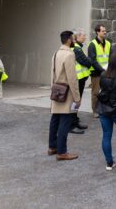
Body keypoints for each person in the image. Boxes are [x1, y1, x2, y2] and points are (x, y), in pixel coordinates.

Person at [48, 31, 80, 161]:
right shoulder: (70, 55)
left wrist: (53, 89)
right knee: (65, 121)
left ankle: (52, 147)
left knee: (55, 119)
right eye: (73, 38)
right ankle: (62, 152)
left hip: (56, 90)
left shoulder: (56, 53)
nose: (74, 41)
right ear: (69, 40)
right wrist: (77, 97)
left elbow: (52, 74)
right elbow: (72, 79)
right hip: (66, 92)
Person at [71, 29, 100, 134]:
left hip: (81, 79)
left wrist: (88, 60)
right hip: (78, 79)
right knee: (75, 101)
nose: (85, 37)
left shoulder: (78, 47)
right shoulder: (76, 48)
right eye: (83, 35)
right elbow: (86, 62)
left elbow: (86, 61)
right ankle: (71, 123)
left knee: (77, 101)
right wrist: (90, 60)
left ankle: (75, 120)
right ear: (77, 37)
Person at [87, 24, 112, 118]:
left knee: (107, 91)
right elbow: (92, 60)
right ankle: (95, 110)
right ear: (97, 32)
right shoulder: (92, 44)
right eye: (103, 31)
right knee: (96, 92)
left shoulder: (108, 43)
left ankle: (104, 109)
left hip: (106, 72)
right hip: (96, 73)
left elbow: (111, 57)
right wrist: (102, 70)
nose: (105, 32)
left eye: (105, 31)